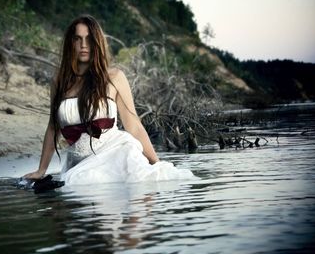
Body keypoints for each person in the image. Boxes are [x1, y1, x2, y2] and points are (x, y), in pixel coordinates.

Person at [23, 15, 195, 185]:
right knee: (78, 186)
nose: (84, 45)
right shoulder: (59, 80)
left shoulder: (114, 77)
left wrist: (156, 163)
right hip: (79, 163)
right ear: (71, 43)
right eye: (78, 39)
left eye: (89, 39)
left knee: (136, 185)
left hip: (116, 152)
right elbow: (53, 126)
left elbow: (133, 125)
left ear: (97, 42)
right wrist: (41, 170)